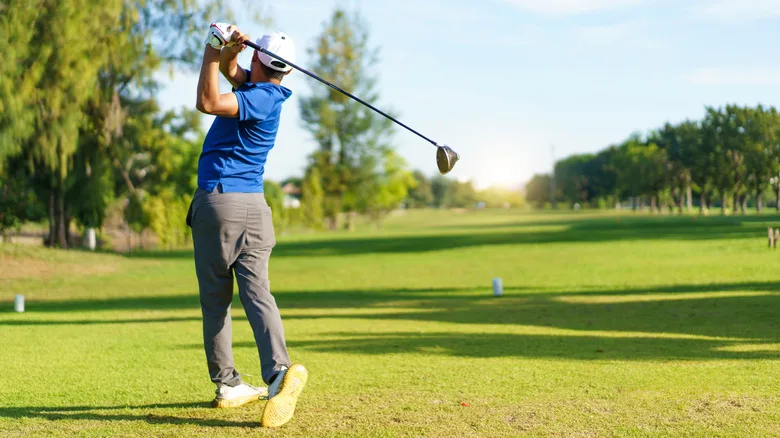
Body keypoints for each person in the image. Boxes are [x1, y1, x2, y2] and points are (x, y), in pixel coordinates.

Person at [186, 22, 307, 428]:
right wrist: (230, 52)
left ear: (259, 57)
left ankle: (228, 384)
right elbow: (232, 73)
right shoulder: (268, 93)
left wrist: (211, 47)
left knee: (216, 301)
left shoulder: (256, 97)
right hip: (255, 208)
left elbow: (207, 101)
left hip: (221, 202)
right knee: (258, 294)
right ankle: (278, 373)